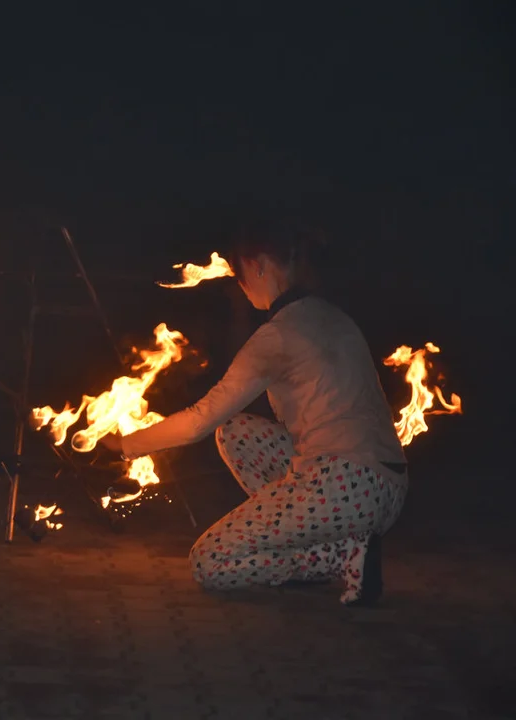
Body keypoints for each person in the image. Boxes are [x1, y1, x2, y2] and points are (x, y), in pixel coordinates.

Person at [101, 225, 408, 606]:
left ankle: (338, 556)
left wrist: (126, 444)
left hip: (343, 484)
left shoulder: (278, 336)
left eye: (241, 277)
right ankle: (337, 543)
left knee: (209, 562)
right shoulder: (332, 316)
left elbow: (201, 418)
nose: (242, 290)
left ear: (259, 265)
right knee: (236, 432)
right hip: (387, 489)